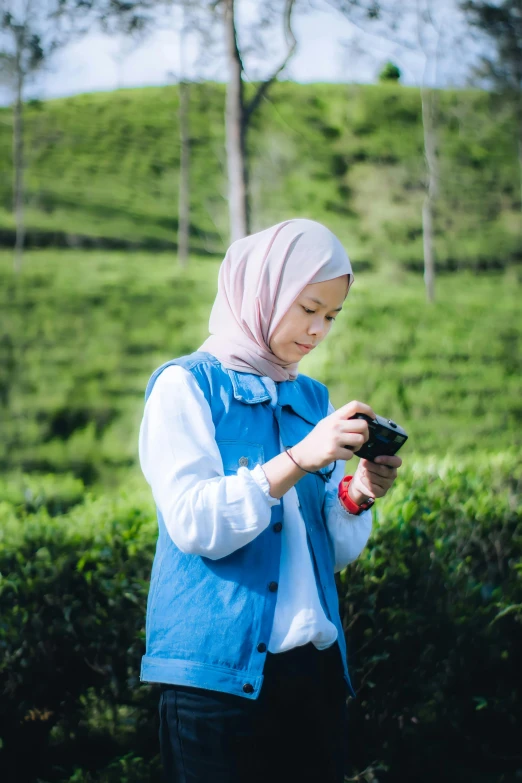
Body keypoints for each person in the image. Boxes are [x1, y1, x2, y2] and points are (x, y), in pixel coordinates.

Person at [138, 218, 402, 783]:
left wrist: (356, 495)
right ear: (263, 290)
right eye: (307, 308)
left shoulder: (310, 396)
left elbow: (323, 555)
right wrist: (299, 459)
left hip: (314, 676)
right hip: (216, 682)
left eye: (331, 316)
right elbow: (193, 524)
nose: (318, 331)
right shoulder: (184, 388)